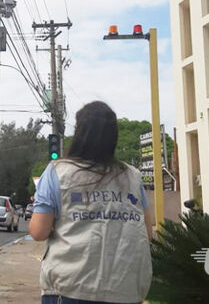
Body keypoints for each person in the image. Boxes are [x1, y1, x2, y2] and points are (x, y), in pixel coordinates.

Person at [29, 101, 153, 304]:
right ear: (113, 137)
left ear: (79, 134)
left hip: (70, 288)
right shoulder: (133, 176)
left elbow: (38, 231)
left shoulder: (57, 172)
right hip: (125, 289)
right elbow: (147, 232)